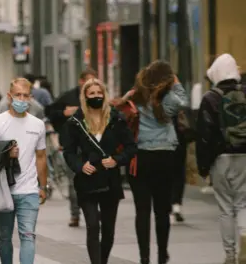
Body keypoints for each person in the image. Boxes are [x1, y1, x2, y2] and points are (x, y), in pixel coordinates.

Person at [62, 77, 137, 264]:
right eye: (91, 93)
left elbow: (131, 147)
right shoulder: (76, 121)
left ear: (104, 95)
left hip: (110, 180)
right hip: (87, 180)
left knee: (109, 230)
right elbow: (69, 151)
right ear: (85, 96)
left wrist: (117, 160)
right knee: (93, 226)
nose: (96, 96)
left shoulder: (115, 118)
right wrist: (79, 166)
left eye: (99, 93)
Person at [0, 77, 48, 264]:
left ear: (31, 98)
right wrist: (5, 153)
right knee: (4, 237)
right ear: (9, 97)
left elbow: (41, 157)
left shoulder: (37, 125)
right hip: (3, 190)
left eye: (25, 96)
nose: (21, 99)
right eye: (18, 95)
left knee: (28, 235)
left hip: (29, 190)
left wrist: (43, 186)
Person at [129, 60, 188, 264]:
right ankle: (162, 253)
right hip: (164, 156)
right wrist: (176, 83)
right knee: (162, 210)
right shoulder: (169, 98)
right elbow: (183, 101)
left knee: (142, 210)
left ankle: (144, 256)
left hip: (140, 157)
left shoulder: (136, 96)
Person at [197, 54, 246, 264]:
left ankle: (230, 254)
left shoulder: (210, 98)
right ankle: (245, 235)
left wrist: (203, 166)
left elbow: (204, 136)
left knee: (226, 208)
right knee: (243, 203)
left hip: (221, 158)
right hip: (244, 156)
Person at [45, 68, 98, 227]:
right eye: (89, 81)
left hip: (94, 146)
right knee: (75, 180)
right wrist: (64, 112)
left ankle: (93, 212)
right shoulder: (69, 97)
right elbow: (50, 111)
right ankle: (75, 214)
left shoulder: (98, 97)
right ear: (81, 81)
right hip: (73, 146)